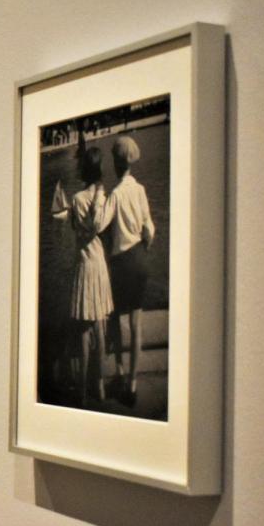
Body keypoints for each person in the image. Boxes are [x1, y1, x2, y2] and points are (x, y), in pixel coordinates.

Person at [106, 136, 155, 403]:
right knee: (137, 324)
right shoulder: (140, 190)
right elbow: (150, 230)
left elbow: (103, 226)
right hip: (139, 258)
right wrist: (145, 247)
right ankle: (133, 387)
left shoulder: (115, 194)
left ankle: (120, 371)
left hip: (120, 262)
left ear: (115, 162)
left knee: (114, 317)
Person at [69, 147, 114, 403]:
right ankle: (100, 387)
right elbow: (101, 224)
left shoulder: (76, 199)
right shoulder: (102, 196)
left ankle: (83, 389)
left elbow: (77, 228)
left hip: (84, 265)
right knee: (99, 327)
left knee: (84, 331)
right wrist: (100, 195)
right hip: (99, 265)